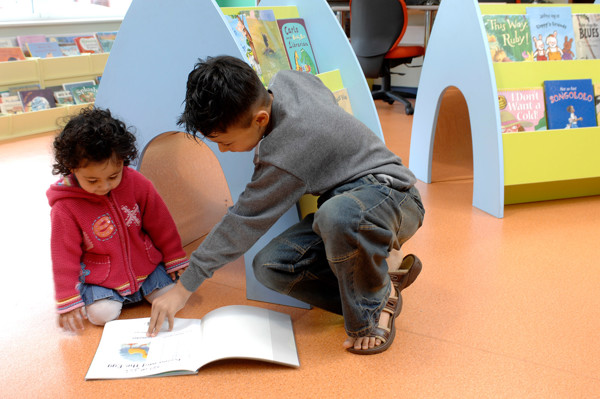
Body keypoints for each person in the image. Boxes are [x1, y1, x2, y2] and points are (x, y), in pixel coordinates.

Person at [147, 55, 425, 355]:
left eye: (224, 141)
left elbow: (243, 221)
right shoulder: (288, 79)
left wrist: (183, 288)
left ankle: (370, 311)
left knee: (337, 215)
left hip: (395, 197)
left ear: (261, 120)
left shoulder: (285, 153)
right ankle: (381, 281)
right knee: (269, 266)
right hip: (348, 205)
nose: (224, 151)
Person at [47, 107, 189, 332]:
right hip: (102, 279)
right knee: (102, 315)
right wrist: (67, 299)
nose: (104, 186)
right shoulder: (65, 207)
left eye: (113, 176)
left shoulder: (138, 183)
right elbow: (63, 255)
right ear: (72, 168)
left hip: (146, 267)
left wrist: (174, 257)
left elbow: (161, 223)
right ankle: (107, 297)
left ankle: (143, 289)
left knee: (173, 297)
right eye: (92, 181)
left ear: (123, 160)